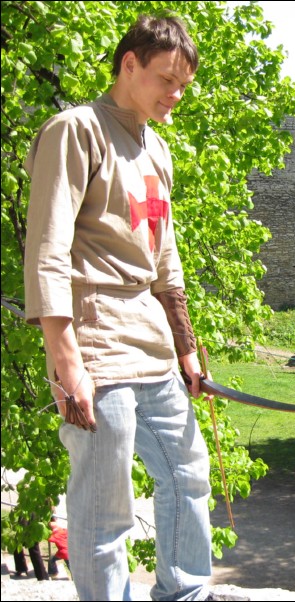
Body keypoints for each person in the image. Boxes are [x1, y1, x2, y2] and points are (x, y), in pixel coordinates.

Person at [24, 13, 243, 602]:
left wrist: (187, 347)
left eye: (184, 85)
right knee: (104, 509)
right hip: (95, 339)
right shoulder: (76, 130)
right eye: (167, 80)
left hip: (151, 343)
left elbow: (164, 260)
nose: (176, 95)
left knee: (188, 474)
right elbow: (46, 248)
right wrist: (65, 358)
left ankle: (187, 594)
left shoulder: (157, 149)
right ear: (129, 64)